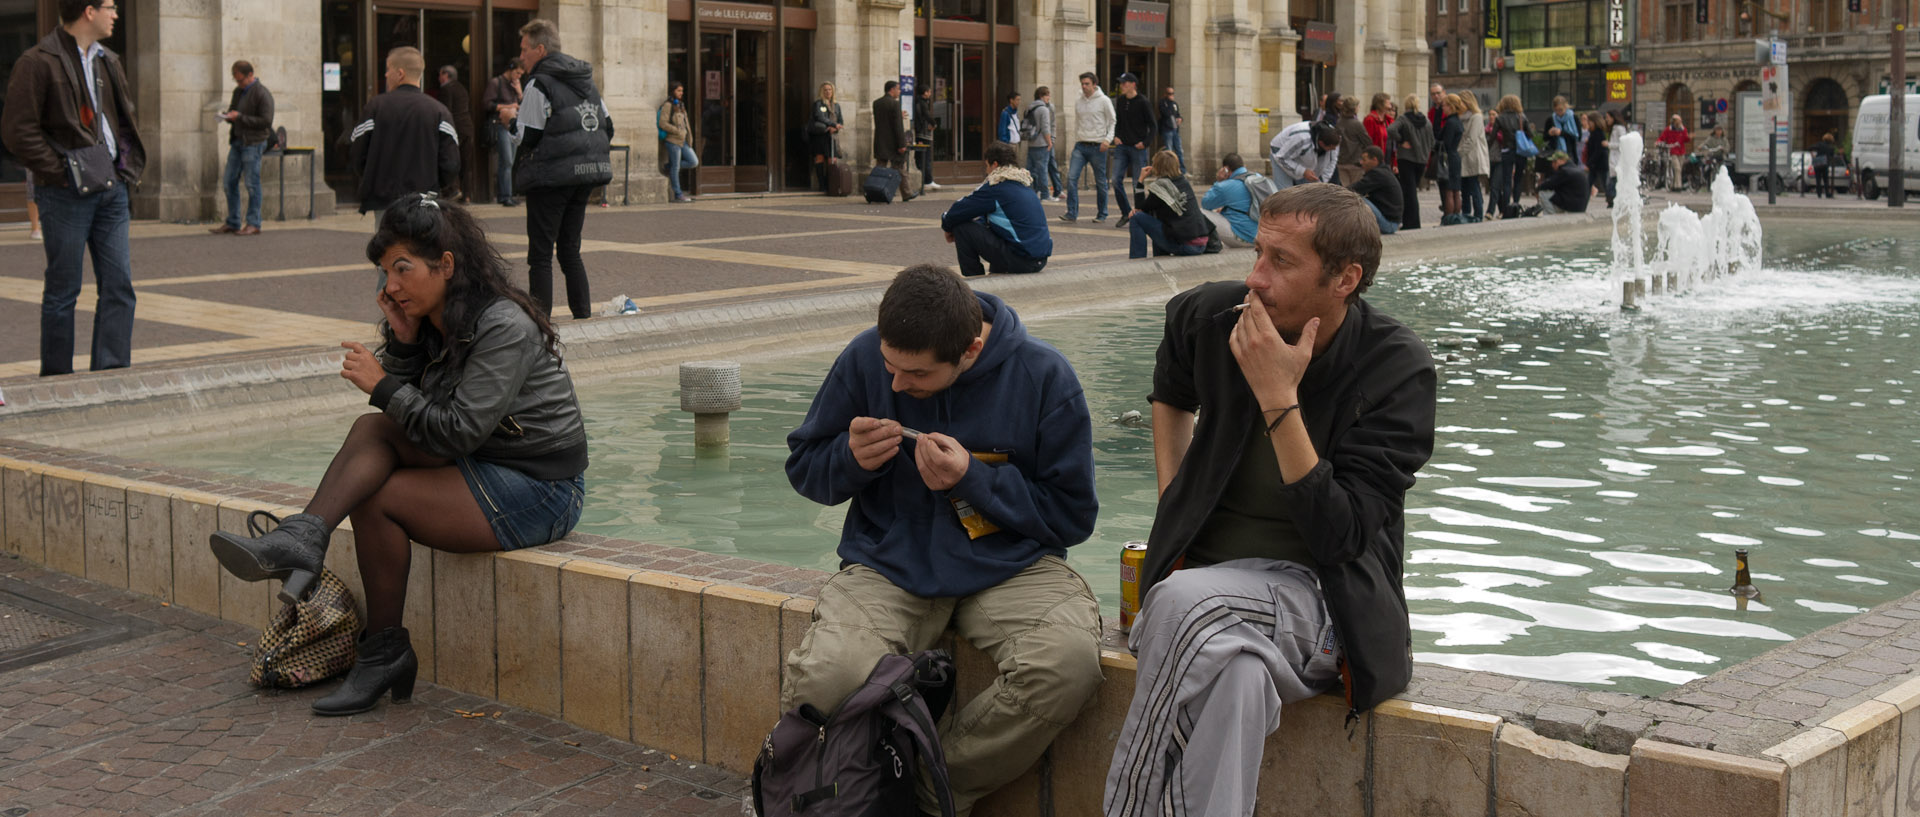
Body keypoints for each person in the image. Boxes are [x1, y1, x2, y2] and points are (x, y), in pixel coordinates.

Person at [1102, 182, 1436, 817]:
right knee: (1237, 680)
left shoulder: (1397, 369)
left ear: (1345, 279)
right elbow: (1170, 389)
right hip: (1217, 596)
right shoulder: (1211, 318)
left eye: (1281, 262)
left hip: (1323, 603)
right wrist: (1174, 496)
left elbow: (1341, 537)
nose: (1254, 278)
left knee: (1177, 602)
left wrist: (1278, 395)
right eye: (1258, 252)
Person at [206, 193, 587, 717]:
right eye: (386, 272)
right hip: (482, 461)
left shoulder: (503, 327)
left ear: (446, 265)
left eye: (402, 269)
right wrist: (406, 346)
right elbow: (413, 425)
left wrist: (384, 382)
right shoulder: (437, 321)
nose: (391, 287)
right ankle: (357, 614)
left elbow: (451, 433)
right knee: (372, 447)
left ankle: (335, 586)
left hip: (540, 487)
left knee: (375, 475)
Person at [782, 264, 1103, 817]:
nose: (897, 386)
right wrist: (849, 460)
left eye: (919, 376)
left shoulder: (1045, 376)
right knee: (827, 678)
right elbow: (806, 468)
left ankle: (928, 790)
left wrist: (975, 481)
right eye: (890, 367)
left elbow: (1073, 518)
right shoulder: (864, 358)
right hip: (890, 562)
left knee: (1067, 665)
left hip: (1012, 567)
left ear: (972, 349)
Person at [2, 0, 146, 377]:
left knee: (119, 286)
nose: (115, 14)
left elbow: (123, 120)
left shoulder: (107, 60)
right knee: (63, 292)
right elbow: (18, 132)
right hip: (64, 193)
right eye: (110, 7)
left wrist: (124, 165)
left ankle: (111, 376)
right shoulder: (37, 62)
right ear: (88, 10)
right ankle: (57, 381)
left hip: (111, 190)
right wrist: (63, 172)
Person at [498, 18, 614, 321]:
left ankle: (540, 323)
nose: (521, 57)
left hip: (550, 179)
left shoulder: (540, 83)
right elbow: (608, 126)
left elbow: (529, 136)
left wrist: (509, 121)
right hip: (584, 175)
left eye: (524, 50)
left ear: (540, 49)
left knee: (540, 254)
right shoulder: (586, 80)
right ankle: (583, 315)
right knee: (570, 250)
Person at [351, 46, 460, 215]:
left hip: (384, 201)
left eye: (388, 69)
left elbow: (358, 154)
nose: (386, 75)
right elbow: (451, 163)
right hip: (424, 202)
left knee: (388, 240)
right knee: (421, 241)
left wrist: (374, 181)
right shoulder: (439, 111)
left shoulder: (375, 108)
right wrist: (434, 186)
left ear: (400, 73)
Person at [940, 141, 1051, 277]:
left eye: (987, 166)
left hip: (1021, 260)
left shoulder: (997, 186)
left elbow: (958, 210)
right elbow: (987, 220)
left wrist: (947, 225)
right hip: (1039, 260)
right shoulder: (1024, 185)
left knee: (962, 228)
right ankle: (998, 271)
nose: (986, 171)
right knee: (996, 228)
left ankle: (975, 281)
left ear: (995, 165)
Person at [210, 61, 273, 236]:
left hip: (253, 143)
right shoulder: (238, 92)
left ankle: (254, 223)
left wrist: (241, 117)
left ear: (250, 75)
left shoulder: (262, 93)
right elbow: (234, 110)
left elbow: (266, 121)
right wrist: (228, 116)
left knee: (252, 184)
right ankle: (233, 221)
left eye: (241, 80)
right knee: (229, 181)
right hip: (238, 141)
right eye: (236, 80)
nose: (239, 84)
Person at [1128, 149, 1211, 258]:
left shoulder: (1161, 187)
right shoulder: (1183, 181)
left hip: (1187, 246)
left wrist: (1140, 180)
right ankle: (1159, 256)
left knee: (1136, 217)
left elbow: (1140, 208)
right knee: (1158, 217)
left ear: (1157, 167)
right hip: (1201, 244)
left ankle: (1137, 259)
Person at [1062, 72, 1115, 224]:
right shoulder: (1079, 101)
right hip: (1080, 145)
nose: (1084, 87)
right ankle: (1071, 212)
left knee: (1100, 182)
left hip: (1098, 146)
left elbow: (1112, 121)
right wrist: (1076, 137)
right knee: (1071, 178)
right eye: (1082, 84)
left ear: (1094, 84)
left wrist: (1107, 140)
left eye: (1087, 84)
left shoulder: (1104, 100)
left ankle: (1102, 213)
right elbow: (1078, 121)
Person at [1109, 72, 1156, 229]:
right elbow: (1118, 121)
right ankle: (1125, 212)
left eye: (1124, 83)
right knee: (1116, 180)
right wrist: (1116, 136)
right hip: (1122, 146)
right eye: (1121, 83)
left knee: (1138, 182)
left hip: (1138, 148)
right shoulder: (1121, 101)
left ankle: (1140, 214)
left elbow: (1153, 126)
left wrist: (1145, 143)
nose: (1121, 86)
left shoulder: (1143, 102)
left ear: (1132, 85)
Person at [481, 58, 524, 206]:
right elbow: (487, 104)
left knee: (510, 161)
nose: (518, 76)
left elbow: (523, 104)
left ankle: (508, 194)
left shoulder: (515, 85)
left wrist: (519, 92)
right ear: (511, 69)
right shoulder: (496, 83)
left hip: (513, 125)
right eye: (517, 73)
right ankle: (505, 195)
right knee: (506, 160)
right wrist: (507, 106)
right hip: (501, 124)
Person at [1388, 94, 1432, 230]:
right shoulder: (1426, 121)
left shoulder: (1403, 118)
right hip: (1421, 160)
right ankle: (1413, 222)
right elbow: (1432, 140)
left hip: (1406, 158)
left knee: (1408, 192)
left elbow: (1391, 129)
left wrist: (1401, 141)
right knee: (1413, 191)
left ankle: (1411, 223)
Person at [1199, 152, 1258, 246]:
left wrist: (1219, 181)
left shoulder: (1226, 185)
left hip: (1245, 237)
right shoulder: (1259, 177)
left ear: (1225, 169)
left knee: (1200, 212)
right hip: (1263, 235)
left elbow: (1206, 203)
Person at [1490, 94, 1532, 219]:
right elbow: (1530, 134)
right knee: (1518, 180)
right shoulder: (1522, 116)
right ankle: (1516, 206)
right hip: (1520, 151)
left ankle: (1506, 210)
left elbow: (1492, 137)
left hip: (1506, 151)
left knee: (1507, 181)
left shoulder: (1500, 118)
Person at [872, 80, 915, 202]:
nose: (899, 91)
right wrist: (902, 144)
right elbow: (898, 126)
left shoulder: (877, 103)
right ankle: (906, 193)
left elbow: (884, 120)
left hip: (881, 140)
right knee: (899, 167)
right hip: (893, 142)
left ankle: (876, 191)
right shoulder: (895, 104)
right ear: (892, 89)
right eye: (898, 89)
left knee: (880, 168)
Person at [437, 65, 475, 201]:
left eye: (440, 75)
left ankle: (453, 190)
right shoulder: (462, 88)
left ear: (446, 75)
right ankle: (467, 195)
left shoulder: (446, 89)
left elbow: (446, 111)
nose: (438, 78)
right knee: (466, 161)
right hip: (467, 127)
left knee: (452, 159)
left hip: (456, 128)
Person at [1268, 119, 1340, 189]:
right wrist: (1303, 171)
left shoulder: (1333, 138)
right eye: (1331, 148)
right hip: (1280, 153)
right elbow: (1281, 158)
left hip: (1302, 155)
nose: (1334, 149)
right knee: (1285, 192)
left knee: (1309, 191)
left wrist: (1321, 182)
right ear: (1321, 143)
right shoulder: (1301, 138)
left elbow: (1331, 162)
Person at [658, 80, 698, 203]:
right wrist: (676, 130)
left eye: (682, 91)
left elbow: (686, 124)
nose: (681, 93)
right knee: (676, 168)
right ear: (673, 91)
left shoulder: (681, 105)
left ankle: (668, 167)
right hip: (673, 141)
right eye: (678, 90)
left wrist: (689, 137)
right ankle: (678, 194)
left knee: (693, 162)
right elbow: (662, 123)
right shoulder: (668, 105)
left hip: (683, 141)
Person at [1349, 145, 1402, 234]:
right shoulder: (1383, 171)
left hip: (1388, 225)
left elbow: (1354, 189)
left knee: (1356, 199)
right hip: (1392, 223)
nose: (1361, 163)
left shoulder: (1377, 174)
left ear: (1374, 160)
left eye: (1364, 160)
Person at [1458, 92, 1489, 222]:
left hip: (1472, 156)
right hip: (1463, 156)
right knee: (1464, 188)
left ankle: (1478, 215)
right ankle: (1466, 214)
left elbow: (1471, 138)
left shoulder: (1476, 117)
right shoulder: (1460, 117)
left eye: (1461, 102)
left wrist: (1457, 153)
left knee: (1473, 186)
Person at [807, 81, 844, 191]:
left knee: (832, 159)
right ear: (822, 92)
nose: (828, 92)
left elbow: (841, 120)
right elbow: (819, 117)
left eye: (830, 89)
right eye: (825, 90)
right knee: (820, 158)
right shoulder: (818, 104)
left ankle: (831, 184)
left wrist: (836, 127)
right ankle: (822, 185)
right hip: (820, 135)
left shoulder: (836, 106)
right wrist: (833, 124)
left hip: (832, 136)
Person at [1024, 86, 1058, 200]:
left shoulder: (1029, 107)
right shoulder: (1044, 109)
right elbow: (1045, 128)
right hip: (1041, 143)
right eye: (1047, 95)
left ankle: (1031, 192)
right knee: (1042, 170)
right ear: (1041, 96)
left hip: (1031, 142)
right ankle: (1045, 194)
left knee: (1031, 169)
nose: (1049, 97)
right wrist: (1050, 142)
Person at [1436, 94, 1465, 222]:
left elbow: (1445, 143)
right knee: (1456, 190)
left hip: (1448, 158)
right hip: (1455, 157)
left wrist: (1435, 143)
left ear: (1451, 106)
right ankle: (1456, 217)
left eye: (1445, 105)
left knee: (1448, 190)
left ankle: (1449, 219)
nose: (1443, 108)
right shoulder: (1458, 121)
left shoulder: (1450, 122)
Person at [1532, 150, 1590, 215]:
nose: (1552, 165)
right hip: (1580, 207)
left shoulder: (1565, 171)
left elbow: (1547, 184)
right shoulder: (1576, 169)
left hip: (1572, 207)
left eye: (1554, 162)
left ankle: (1550, 217)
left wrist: (1536, 191)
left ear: (1561, 160)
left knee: (1542, 193)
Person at [1333, 96, 1369, 187]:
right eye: (1358, 106)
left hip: (1341, 162)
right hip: (1355, 163)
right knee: (1356, 191)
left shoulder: (1339, 122)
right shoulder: (1357, 124)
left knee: (1346, 190)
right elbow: (1367, 142)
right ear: (1355, 108)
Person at [915, 84, 940, 190]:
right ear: (925, 93)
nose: (930, 94)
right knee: (926, 157)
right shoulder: (922, 103)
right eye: (929, 92)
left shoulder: (918, 101)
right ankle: (928, 180)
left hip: (920, 132)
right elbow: (927, 115)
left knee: (922, 157)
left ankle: (925, 180)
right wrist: (934, 124)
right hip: (924, 133)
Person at [1584, 112, 1611, 208]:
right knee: (1589, 183)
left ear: (1594, 122)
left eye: (1589, 121)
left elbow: (1598, 150)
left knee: (1605, 183)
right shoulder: (1593, 133)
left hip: (1599, 163)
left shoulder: (1598, 133)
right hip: (1595, 164)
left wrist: (1589, 163)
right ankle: (1583, 203)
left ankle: (1611, 201)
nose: (1587, 123)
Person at [1363, 93, 1395, 169]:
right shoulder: (1370, 119)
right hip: (1376, 158)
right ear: (1380, 103)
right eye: (1387, 101)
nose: (1390, 102)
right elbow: (1368, 141)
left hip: (1389, 157)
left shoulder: (1389, 120)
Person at [1657, 114, 1689, 190]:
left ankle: (1673, 185)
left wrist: (1688, 137)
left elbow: (1686, 139)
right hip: (1672, 151)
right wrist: (1658, 142)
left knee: (1679, 169)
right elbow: (1662, 137)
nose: (1679, 122)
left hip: (1681, 151)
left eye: (1680, 121)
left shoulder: (1683, 129)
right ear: (1673, 122)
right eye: (1677, 121)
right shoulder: (1668, 129)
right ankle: (1678, 186)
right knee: (1677, 168)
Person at [1158, 86, 1186, 172]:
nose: (1171, 95)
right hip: (1167, 129)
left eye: (1172, 93)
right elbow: (1166, 113)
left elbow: (1177, 114)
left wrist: (1180, 119)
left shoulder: (1174, 104)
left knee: (1179, 150)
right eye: (1169, 93)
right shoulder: (1163, 103)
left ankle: (1182, 169)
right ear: (1165, 94)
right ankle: (1168, 170)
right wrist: (1169, 102)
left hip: (1175, 129)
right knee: (1169, 150)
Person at [1812, 132, 1838, 198]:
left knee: (1818, 180)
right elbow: (1832, 156)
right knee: (1826, 180)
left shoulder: (1819, 144)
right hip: (1825, 164)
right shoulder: (1831, 147)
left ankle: (1819, 194)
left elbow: (1811, 147)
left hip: (1817, 164)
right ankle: (1827, 194)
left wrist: (1812, 154)